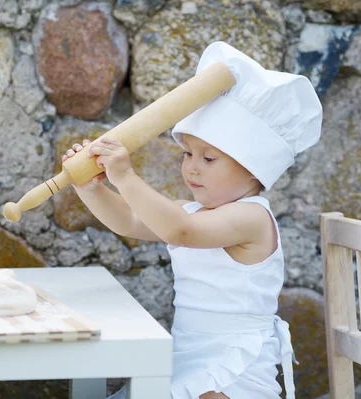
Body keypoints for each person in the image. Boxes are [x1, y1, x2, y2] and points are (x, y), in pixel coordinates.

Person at [61, 41, 323, 399]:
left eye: (209, 158)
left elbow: (180, 231)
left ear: (254, 168)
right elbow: (130, 220)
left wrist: (126, 177)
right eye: (187, 153)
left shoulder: (252, 218)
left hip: (232, 371)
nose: (192, 167)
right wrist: (89, 188)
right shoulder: (193, 212)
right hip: (188, 355)